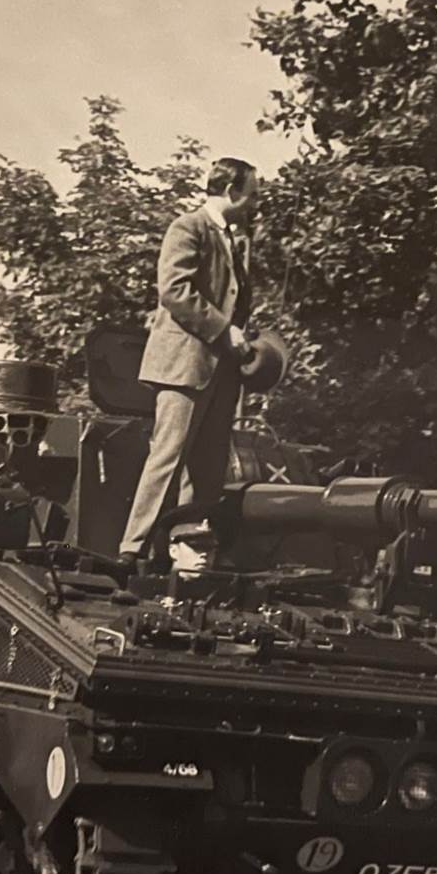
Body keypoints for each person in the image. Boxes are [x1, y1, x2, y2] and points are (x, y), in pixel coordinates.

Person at [118, 157, 259, 567]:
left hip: (222, 370)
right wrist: (223, 329)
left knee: (208, 467)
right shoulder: (188, 227)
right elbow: (174, 292)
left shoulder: (236, 239)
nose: (255, 205)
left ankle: (186, 550)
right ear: (231, 191)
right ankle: (133, 550)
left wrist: (243, 336)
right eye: (251, 196)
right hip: (184, 365)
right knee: (168, 456)